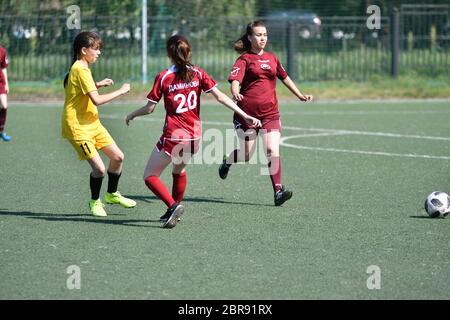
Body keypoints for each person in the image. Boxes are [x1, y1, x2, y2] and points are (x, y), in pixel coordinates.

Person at [126, 35, 261, 228]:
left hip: (173, 135)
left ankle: (173, 206)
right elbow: (221, 97)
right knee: (178, 171)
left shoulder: (164, 76)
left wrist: (132, 114)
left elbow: (149, 108)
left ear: (169, 54)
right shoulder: (197, 73)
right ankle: (173, 213)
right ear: (189, 52)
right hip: (195, 136)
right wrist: (244, 115)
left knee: (150, 176)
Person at [218, 21, 313, 206]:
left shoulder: (272, 58)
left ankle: (278, 191)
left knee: (271, 150)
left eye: (265, 35)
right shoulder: (244, 60)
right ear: (250, 37)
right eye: (259, 35)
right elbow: (235, 80)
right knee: (246, 155)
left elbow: (285, 78)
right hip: (246, 115)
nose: (263, 38)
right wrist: (235, 91)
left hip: (270, 114)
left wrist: (300, 95)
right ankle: (227, 162)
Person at [62, 31, 136, 217]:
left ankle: (112, 195)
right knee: (99, 169)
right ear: (84, 50)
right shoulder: (80, 68)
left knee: (118, 157)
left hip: (92, 123)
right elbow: (96, 100)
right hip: (78, 127)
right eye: (95, 49)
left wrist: (98, 83)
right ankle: (94, 202)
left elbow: (75, 87)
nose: (99, 53)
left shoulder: (81, 67)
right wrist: (121, 91)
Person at [0, 45, 11, 142]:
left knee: (4, 105)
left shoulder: (2, 51)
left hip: (0, 83)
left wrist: (6, 84)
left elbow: (3, 68)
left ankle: (1, 131)